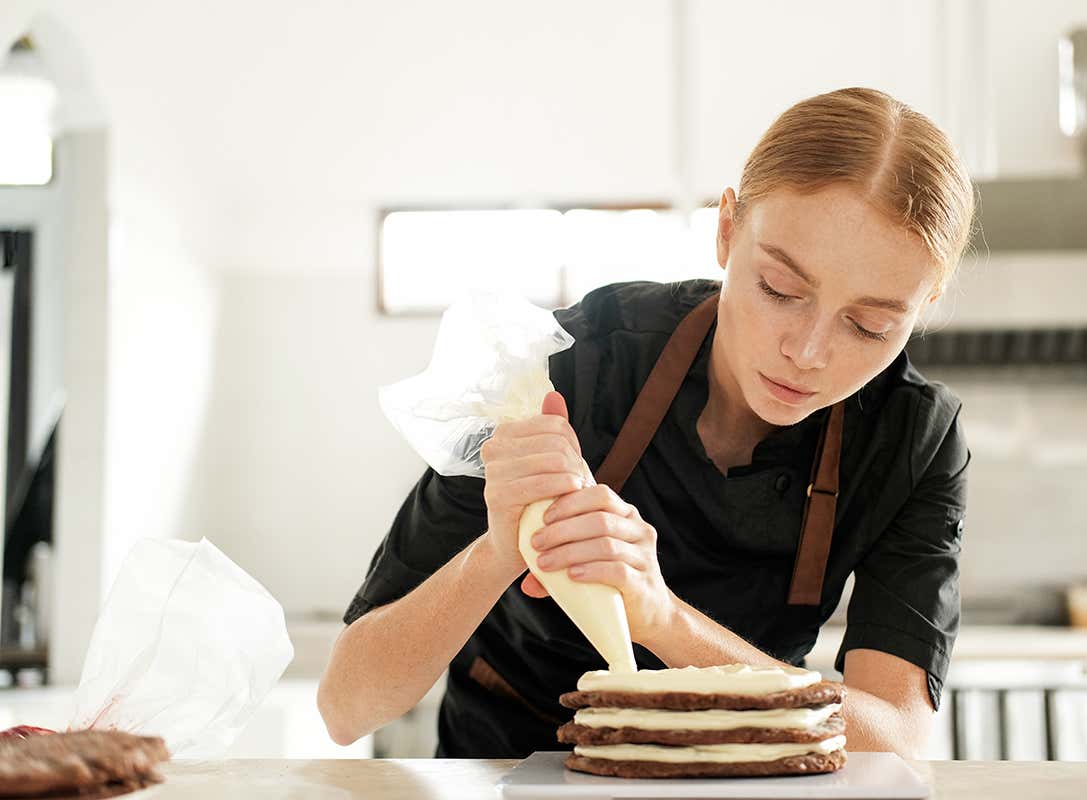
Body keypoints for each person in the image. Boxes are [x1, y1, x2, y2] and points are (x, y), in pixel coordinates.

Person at [318, 86, 975, 760]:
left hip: (749, 783)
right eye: (779, 289)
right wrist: (498, 551)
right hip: (510, 773)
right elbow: (345, 706)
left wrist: (662, 618)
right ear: (725, 230)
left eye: (870, 326)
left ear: (923, 308)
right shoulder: (573, 364)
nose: (807, 354)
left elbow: (895, 741)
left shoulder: (913, 440)